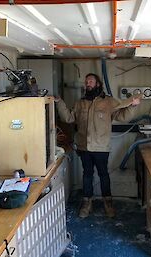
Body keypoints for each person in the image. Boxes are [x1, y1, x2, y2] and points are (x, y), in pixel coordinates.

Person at [55, 73, 141, 218]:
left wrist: (133, 106)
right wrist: (59, 103)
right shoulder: (80, 103)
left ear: (98, 84)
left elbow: (122, 116)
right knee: (87, 175)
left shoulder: (108, 102)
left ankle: (108, 203)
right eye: (86, 81)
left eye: (91, 81)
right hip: (84, 147)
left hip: (101, 147)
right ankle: (87, 203)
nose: (88, 83)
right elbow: (68, 117)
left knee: (103, 175)